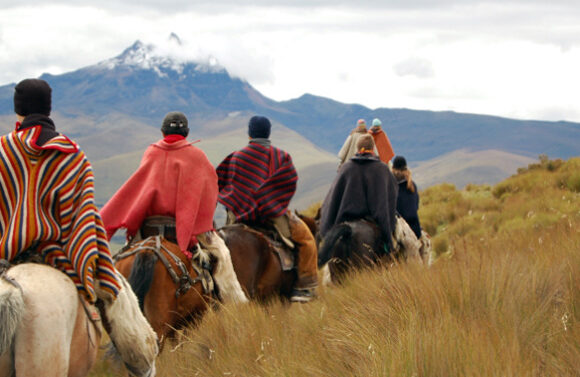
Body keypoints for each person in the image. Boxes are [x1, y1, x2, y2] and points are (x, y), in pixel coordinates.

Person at [100, 111, 247, 304]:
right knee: (223, 255)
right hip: (180, 231)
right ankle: (230, 304)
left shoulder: (151, 152)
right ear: (186, 132)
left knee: (121, 258)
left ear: (162, 132)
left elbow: (141, 187)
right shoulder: (197, 155)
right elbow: (211, 189)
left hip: (148, 228)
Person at [0, 78, 121, 303]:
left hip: (4, 260)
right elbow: (84, 216)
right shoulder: (73, 156)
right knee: (119, 321)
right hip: (58, 260)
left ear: (18, 110)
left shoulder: (3, 152)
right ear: (48, 108)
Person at [216, 115, 318, 302]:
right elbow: (289, 183)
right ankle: (304, 287)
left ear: (249, 134)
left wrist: (238, 200)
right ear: (268, 133)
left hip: (240, 215)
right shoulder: (281, 157)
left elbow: (221, 180)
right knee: (306, 239)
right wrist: (270, 201)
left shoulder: (236, 157)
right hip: (272, 215)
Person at [319, 134, 399, 251]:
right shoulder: (382, 169)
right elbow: (392, 194)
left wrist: (327, 226)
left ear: (357, 148)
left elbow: (332, 197)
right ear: (373, 148)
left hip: (344, 218)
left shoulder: (346, 168)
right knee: (396, 246)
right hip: (374, 220)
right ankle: (389, 254)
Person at [391, 156, 421, 239]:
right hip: (415, 230)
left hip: (398, 232)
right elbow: (416, 206)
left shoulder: (391, 187)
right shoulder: (412, 185)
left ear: (393, 169)